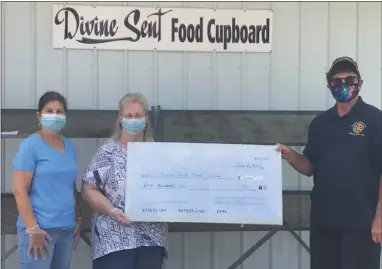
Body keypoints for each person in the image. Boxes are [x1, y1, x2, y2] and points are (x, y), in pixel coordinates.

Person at [276, 56, 382, 269]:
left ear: (360, 83)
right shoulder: (320, 123)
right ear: (329, 86)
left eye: (349, 80)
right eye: (337, 81)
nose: (344, 86)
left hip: (361, 224)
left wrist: (379, 218)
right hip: (324, 222)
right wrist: (291, 156)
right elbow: (309, 167)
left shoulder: (375, 120)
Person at [81, 92, 168, 269]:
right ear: (120, 118)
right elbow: (89, 189)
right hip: (114, 241)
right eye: (129, 115)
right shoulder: (107, 153)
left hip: (151, 240)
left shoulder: (158, 153)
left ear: (146, 119)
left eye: (138, 115)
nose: (133, 120)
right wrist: (112, 210)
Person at [12, 91, 82, 269]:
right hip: (40, 231)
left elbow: (69, 183)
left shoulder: (69, 146)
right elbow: (19, 189)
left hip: (66, 229)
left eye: (59, 111)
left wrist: (78, 217)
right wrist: (33, 229)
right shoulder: (30, 146)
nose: (55, 115)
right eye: (49, 111)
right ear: (39, 115)